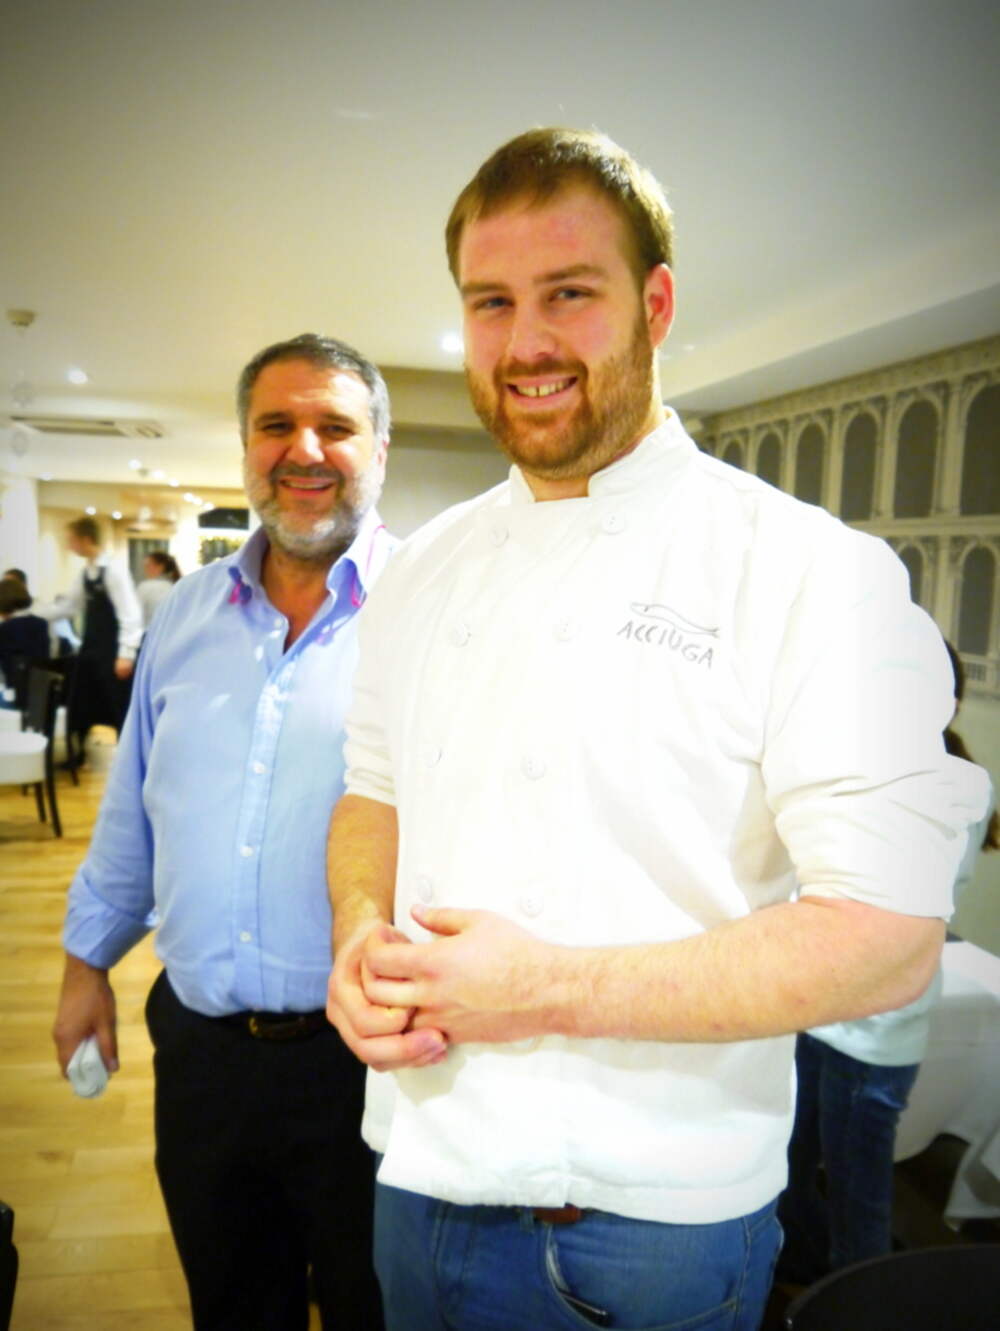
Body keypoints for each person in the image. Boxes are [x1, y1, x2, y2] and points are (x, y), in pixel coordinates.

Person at [324, 128, 990, 1331]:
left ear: (657, 305)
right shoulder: (421, 569)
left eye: (569, 293)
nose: (526, 341)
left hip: (643, 1231)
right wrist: (358, 933)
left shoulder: (808, 570)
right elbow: (373, 788)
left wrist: (544, 987)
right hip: (414, 1173)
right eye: (491, 301)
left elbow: (886, 941)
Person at [52, 333, 392, 1331]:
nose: (304, 449)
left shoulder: (431, 610)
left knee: (376, 1306)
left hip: (373, 1064)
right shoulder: (188, 615)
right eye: (276, 424)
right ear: (246, 445)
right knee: (233, 1304)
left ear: (378, 449)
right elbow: (134, 806)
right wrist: (85, 962)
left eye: (335, 426)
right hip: (202, 1054)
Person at [778, 641, 997, 1283]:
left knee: (858, 1192)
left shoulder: (957, 784)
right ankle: (809, 1273)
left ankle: (859, 1293)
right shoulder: (870, 767)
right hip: (820, 1011)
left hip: (875, 1030)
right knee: (793, 1168)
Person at [42, 515, 142, 762]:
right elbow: (68, 607)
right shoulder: (86, 572)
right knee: (83, 701)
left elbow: (130, 614)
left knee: (118, 705)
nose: (69, 546)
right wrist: (32, 614)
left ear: (86, 539)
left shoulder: (113, 570)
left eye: (71, 540)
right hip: (91, 649)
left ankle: (128, 762)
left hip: (112, 652)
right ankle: (78, 754)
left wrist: (126, 654)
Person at [0, 574, 50, 702]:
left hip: (13, 693)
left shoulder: (5, 628)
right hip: (40, 693)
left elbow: (6, 666)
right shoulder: (42, 624)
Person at [136, 550, 182, 630]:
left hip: (151, 633)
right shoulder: (177, 586)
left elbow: (135, 613)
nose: (145, 569)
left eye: (148, 566)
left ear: (160, 567)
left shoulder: (146, 587)